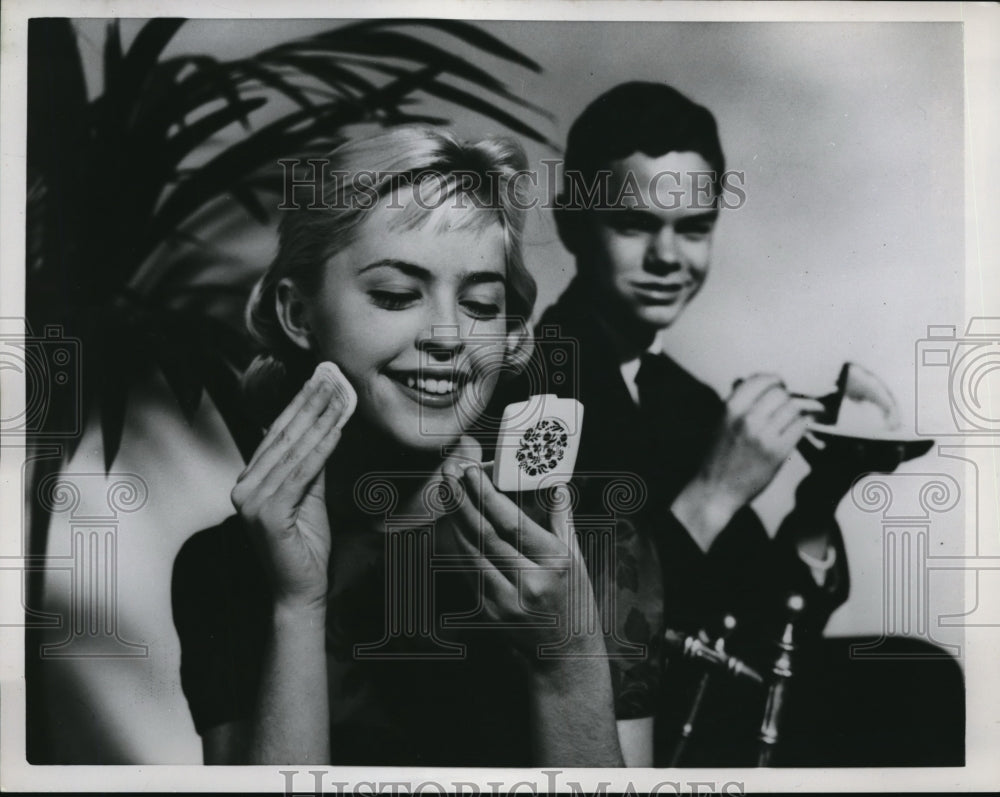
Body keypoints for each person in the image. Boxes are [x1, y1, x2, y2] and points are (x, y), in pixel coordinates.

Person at [491, 81, 964, 766]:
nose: (668, 257)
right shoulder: (534, 389)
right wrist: (714, 492)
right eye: (633, 224)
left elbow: (765, 626)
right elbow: (563, 633)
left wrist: (820, 492)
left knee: (917, 672)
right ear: (570, 223)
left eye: (694, 227)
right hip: (630, 732)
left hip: (717, 700)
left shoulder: (688, 397)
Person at [171, 127, 625, 766]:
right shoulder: (224, 567)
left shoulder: (592, 549)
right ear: (300, 315)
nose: (447, 336)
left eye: (479, 302)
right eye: (395, 295)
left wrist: (569, 660)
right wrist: (296, 607)